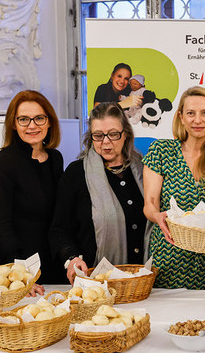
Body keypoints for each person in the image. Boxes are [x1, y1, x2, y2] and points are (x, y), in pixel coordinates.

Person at [50, 103, 150, 284]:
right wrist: (71, 258)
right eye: (98, 136)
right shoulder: (76, 173)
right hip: (95, 283)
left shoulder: (145, 170)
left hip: (142, 281)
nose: (105, 142)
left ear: (125, 134)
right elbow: (59, 229)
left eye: (113, 134)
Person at [142, 86, 205, 289]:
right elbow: (150, 203)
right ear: (181, 117)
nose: (198, 120)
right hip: (167, 257)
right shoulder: (161, 151)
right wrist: (157, 216)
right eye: (191, 113)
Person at [0, 90, 64, 286]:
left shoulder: (55, 158)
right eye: (24, 119)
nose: (32, 126)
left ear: (49, 122)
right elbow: (1, 226)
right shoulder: (2, 162)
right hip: (18, 270)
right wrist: (20, 276)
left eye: (39, 118)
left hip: (52, 263)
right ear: (13, 123)